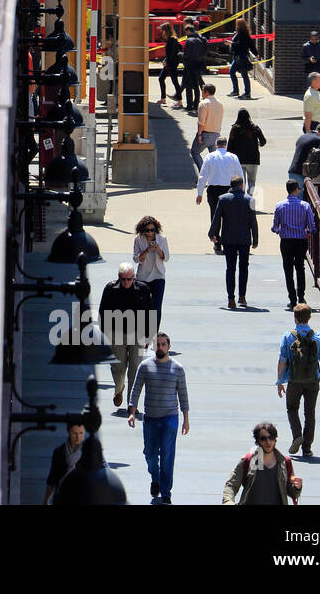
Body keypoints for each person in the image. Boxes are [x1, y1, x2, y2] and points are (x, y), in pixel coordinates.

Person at [129, 332, 190, 504]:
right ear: (153, 346)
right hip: (150, 418)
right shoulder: (145, 366)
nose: (161, 347)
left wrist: (186, 419)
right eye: (158, 344)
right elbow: (136, 390)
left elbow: (183, 395)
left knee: (167, 455)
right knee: (149, 453)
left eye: (164, 344)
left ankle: (166, 493)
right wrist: (132, 412)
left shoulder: (177, 368)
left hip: (170, 418)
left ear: (169, 347)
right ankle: (155, 478)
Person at [276, 303, 320, 458]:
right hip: (313, 380)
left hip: (294, 380)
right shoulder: (317, 337)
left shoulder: (288, 336)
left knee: (292, 409)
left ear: (295, 318)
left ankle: (297, 436)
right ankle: (307, 448)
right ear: (309, 318)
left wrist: (279, 381)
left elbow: (282, 360)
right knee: (310, 413)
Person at [99, 263, 154, 409]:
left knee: (136, 368)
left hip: (138, 334)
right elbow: (102, 313)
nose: (126, 282)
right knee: (118, 367)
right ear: (119, 278)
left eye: (129, 279)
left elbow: (150, 313)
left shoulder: (143, 289)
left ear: (134, 277)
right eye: (123, 279)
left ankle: (132, 402)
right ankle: (119, 389)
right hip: (116, 334)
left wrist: (149, 336)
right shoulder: (110, 289)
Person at [222, 422, 303, 505]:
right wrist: (228, 502)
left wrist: (297, 487)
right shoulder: (249, 461)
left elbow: (292, 493)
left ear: (275, 439)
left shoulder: (285, 463)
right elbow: (231, 485)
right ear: (258, 441)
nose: (268, 442)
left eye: (271, 438)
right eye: (263, 438)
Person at [209, 175, 259, 308]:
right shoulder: (250, 200)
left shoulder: (223, 199)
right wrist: (255, 239)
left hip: (228, 239)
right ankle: (242, 297)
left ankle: (231, 298)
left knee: (230, 268)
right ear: (241, 185)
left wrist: (212, 234)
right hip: (244, 239)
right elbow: (253, 221)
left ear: (231, 185)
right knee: (244, 267)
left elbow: (217, 218)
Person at [272, 180, 317, 309]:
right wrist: (307, 231)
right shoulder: (305, 206)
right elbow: (312, 227)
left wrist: (279, 231)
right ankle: (301, 296)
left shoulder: (279, 206)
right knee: (300, 268)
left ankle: (292, 299)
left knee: (288, 269)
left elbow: (275, 226)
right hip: (300, 240)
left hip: (286, 241)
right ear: (297, 189)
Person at [196, 137, 243, 253]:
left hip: (213, 190)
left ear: (216, 145)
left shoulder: (210, 157)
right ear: (225, 145)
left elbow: (203, 176)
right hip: (229, 190)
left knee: (215, 216)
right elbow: (240, 174)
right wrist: (242, 191)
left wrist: (199, 193)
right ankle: (228, 240)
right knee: (229, 217)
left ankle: (217, 242)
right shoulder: (233, 157)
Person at [131, 216, 168, 330]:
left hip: (158, 276)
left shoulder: (162, 239)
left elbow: (166, 258)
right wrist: (146, 250)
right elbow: (136, 259)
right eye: (147, 230)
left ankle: (154, 334)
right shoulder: (138, 239)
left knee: (156, 308)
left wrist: (158, 249)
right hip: (143, 277)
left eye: (152, 230)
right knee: (142, 308)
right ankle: (142, 332)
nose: (150, 233)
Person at [44, 421, 86, 504]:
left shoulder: (88, 451)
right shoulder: (59, 452)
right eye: (75, 433)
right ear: (69, 432)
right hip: (61, 495)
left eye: (81, 433)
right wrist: (46, 500)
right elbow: (52, 478)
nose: (78, 437)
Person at [226, 108, 267, 195]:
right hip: (253, 159)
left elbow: (229, 147)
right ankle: (250, 198)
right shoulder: (254, 127)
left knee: (240, 182)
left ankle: (241, 199)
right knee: (252, 181)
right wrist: (257, 144)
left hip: (238, 160)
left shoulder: (234, 129)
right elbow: (263, 141)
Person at [288, 123, 320, 197]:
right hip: (302, 173)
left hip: (292, 170)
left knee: (293, 198)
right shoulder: (318, 140)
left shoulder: (302, 136)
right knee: (300, 201)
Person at [190, 83, 224, 171]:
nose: (202, 93)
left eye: (202, 91)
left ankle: (203, 175)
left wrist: (199, 135)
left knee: (195, 152)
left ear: (206, 92)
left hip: (205, 134)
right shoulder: (220, 104)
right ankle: (216, 177)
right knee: (215, 159)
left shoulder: (203, 104)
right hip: (216, 135)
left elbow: (201, 122)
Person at [181, 25, 208, 112]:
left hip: (189, 65)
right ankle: (196, 104)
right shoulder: (200, 40)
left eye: (186, 32)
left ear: (188, 31)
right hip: (198, 65)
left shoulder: (189, 41)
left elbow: (187, 55)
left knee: (189, 86)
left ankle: (189, 105)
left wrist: (180, 55)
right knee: (196, 86)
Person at [228, 20, 256, 99]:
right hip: (238, 57)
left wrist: (231, 43)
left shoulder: (242, 34)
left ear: (239, 25)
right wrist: (256, 53)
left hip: (241, 57)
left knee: (244, 74)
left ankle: (247, 93)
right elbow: (251, 44)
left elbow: (240, 44)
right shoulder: (243, 34)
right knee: (232, 71)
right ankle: (236, 90)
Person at [157, 26, 183, 107]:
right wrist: (166, 59)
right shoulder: (171, 39)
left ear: (166, 31)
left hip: (171, 63)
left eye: (163, 30)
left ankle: (179, 101)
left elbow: (171, 53)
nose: (162, 32)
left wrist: (166, 61)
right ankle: (163, 98)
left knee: (174, 81)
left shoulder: (172, 40)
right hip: (170, 62)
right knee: (161, 78)